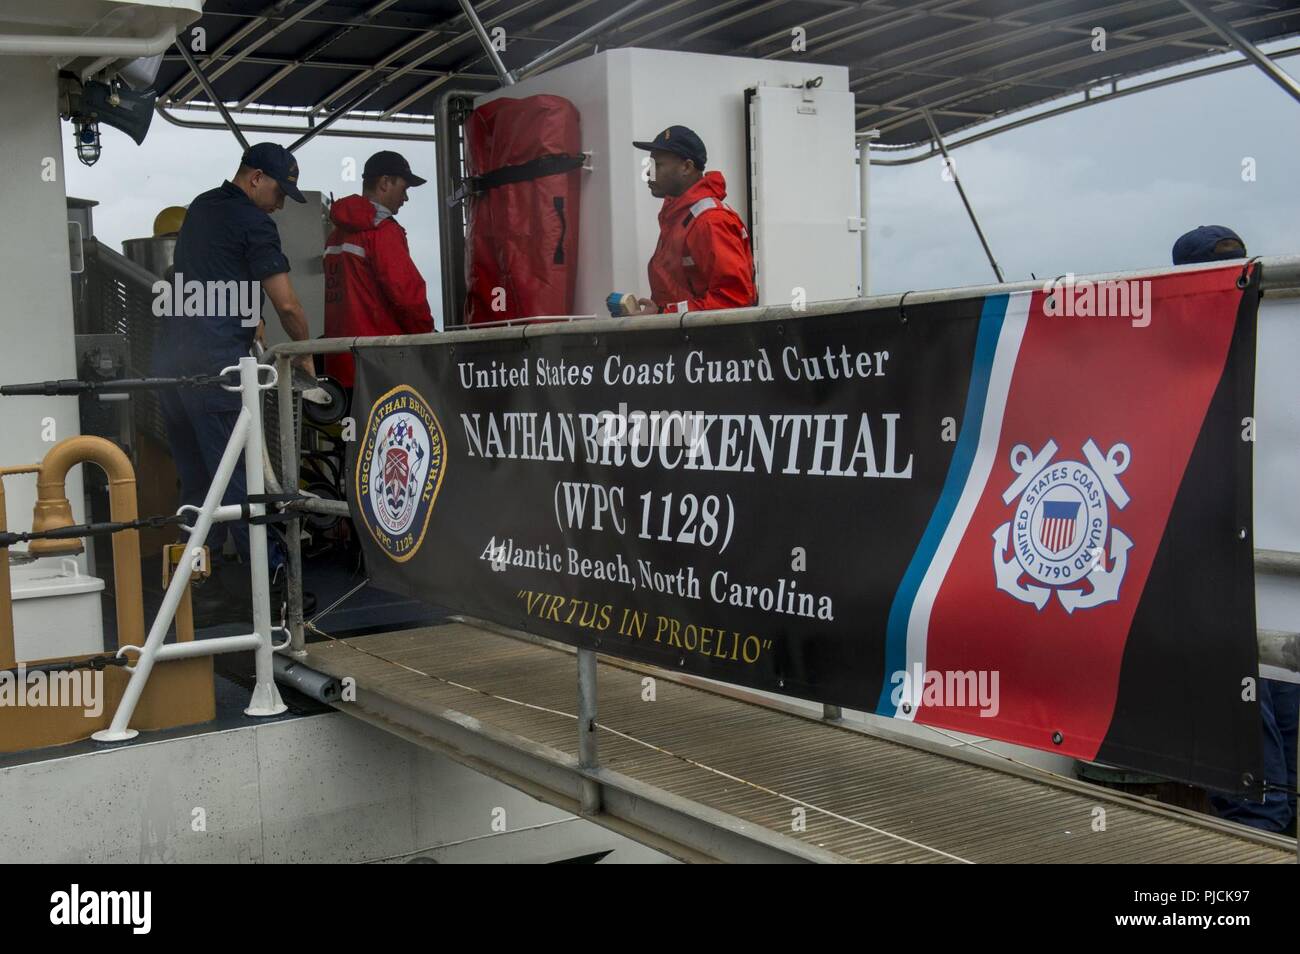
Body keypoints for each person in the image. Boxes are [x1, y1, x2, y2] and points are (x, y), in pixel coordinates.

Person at [153, 142, 314, 617]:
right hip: (216, 369)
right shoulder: (253, 222)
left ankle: (199, 590)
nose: (281, 203)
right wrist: (307, 361)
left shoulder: (202, 207)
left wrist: (251, 320)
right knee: (245, 484)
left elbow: (213, 279)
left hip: (170, 367)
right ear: (256, 177)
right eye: (279, 191)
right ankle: (275, 596)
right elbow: (287, 304)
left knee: (200, 486)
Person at [1173, 224, 1298, 836]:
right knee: (1262, 778)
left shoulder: (1264, 348)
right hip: (1237, 580)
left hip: (1261, 579)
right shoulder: (1266, 341)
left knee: (1271, 775)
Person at [323, 151, 435, 388]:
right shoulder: (383, 233)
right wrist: (427, 339)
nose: (405, 198)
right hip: (381, 366)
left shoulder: (335, 236)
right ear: (385, 182)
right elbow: (407, 297)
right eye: (403, 188)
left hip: (339, 365)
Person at [631, 125, 756, 315]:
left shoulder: (710, 221)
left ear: (687, 167)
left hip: (708, 342)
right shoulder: (678, 218)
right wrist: (658, 312)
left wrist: (663, 313)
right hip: (686, 339)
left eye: (657, 165)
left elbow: (734, 299)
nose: (649, 172)